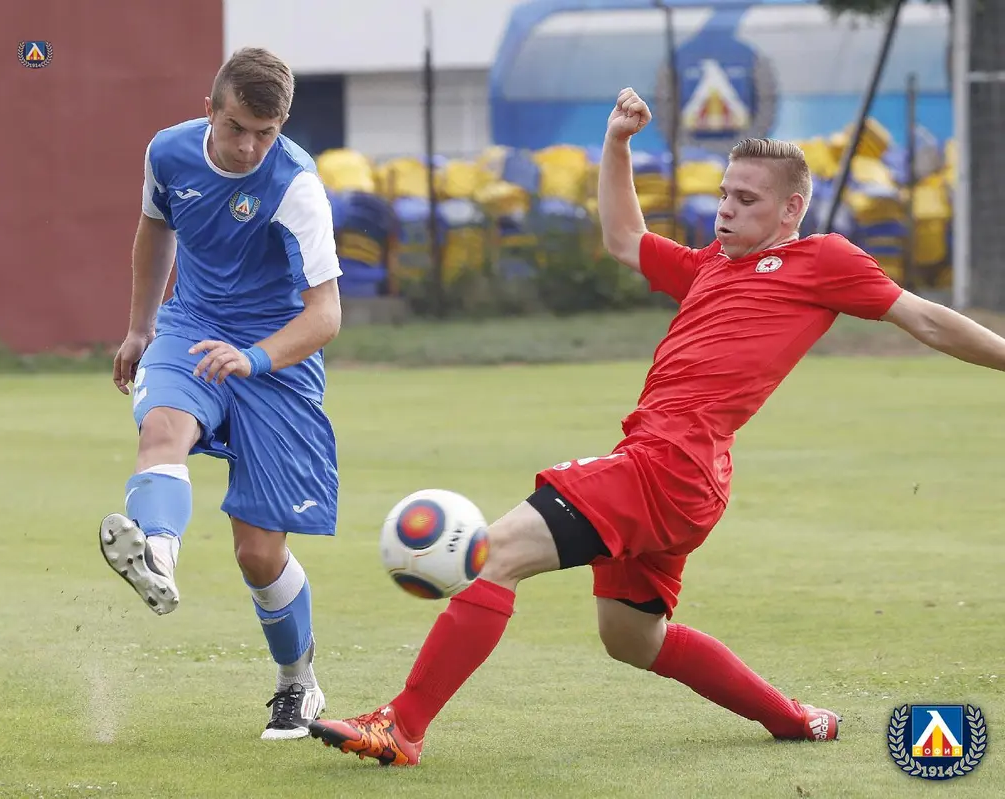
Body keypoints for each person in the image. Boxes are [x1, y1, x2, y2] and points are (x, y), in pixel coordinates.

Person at [309, 87, 1005, 766]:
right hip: (681, 478)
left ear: (792, 208)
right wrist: (617, 144)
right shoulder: (709, 267)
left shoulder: (823, 260)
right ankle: (792, 718)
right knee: (632, 638)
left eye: (747, 199)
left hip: (666, 467)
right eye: (724, 194)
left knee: (494, 553)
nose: (725, 208)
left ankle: (402, 725)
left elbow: (925, 317)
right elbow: (624, 238)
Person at [98, 47, 343, 741]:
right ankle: (158, 554)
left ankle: (298, 682)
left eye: (265, 133)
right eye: (236, 127)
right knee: (162, 429)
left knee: (258, 554)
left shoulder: (296, 185)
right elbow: (155, 228)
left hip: (277, 358)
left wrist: (254, 358)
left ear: (282, 126)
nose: (247, 147)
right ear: (210, 109)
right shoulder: (169, 153)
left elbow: (325, 315)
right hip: (192, 329)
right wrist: (141, 326)